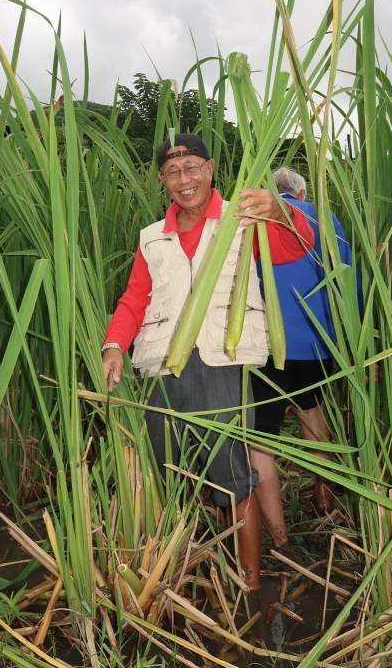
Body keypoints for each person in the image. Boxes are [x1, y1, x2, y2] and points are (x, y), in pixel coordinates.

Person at [101, 135, 314, 590]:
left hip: (222, 364)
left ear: (211, 168)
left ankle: (251, 584)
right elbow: (135, 298)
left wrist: (280, 212)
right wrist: (114, 344)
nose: (185, 179)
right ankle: (198, 563)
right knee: (176, 469)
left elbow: (296, 247)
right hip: (163, 368)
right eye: (174, 172)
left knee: (237, 476)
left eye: (193, 167)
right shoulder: (152, 238)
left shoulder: (243, 218)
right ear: (162, 180)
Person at [250, 167, 355, 551]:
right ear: (301, 191)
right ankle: (323, 494)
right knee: (311, 411)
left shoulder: (254, 219)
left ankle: (279, 539)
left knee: (261, 438)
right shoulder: (324, 216)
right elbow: (347, 278)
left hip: (267, 345)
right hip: (317, 342)